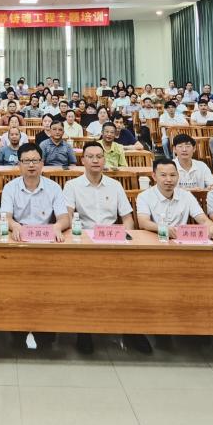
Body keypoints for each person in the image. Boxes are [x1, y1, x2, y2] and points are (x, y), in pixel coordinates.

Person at [63, 142, 143, 355]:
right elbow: (68, 217)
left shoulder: (115, 186)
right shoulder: (72, 186)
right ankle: (85, 331)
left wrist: (126, 238)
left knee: (132, 281)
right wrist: (80, 240)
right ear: (83, 160)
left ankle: (132, 329)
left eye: (99, 156)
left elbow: (127, 219)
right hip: (84, 243)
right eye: (90, 156)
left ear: (104, 159)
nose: (95, 160)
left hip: (113, 241)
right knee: (84, 285)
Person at [1, 143, 69, 243]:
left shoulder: (54, 187)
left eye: (35, 160)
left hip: (46, 237)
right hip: (19, 236)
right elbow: (5, 217)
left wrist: (57, 227)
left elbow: (64, 218)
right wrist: (14, 226)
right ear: (19, 164)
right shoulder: (9, 188)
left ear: (42, 163)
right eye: (26, 161)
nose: (31, 165)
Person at [137, 158, 213, 239]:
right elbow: (143, 222)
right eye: (163, 175)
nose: (169, 179)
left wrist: (211, 227)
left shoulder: (186, 195)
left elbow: (203, 219)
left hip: (181, 240)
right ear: (154, 176)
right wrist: (163, 228)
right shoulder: (144, 196)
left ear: (178, 176)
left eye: (173, 175)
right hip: (155, 239)